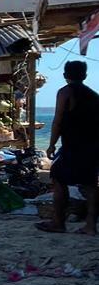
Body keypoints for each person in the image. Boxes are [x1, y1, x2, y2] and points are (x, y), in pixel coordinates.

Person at [37, 61, 99, 235]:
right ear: (85, 76)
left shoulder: (66, 92)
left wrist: (50, 145)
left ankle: (58, 222)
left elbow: (57, 121)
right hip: (93, 145)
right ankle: (91, 226)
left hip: (73, 145)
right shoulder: (94, 95)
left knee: (58, 179)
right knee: (91, 184)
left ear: (65, 75)